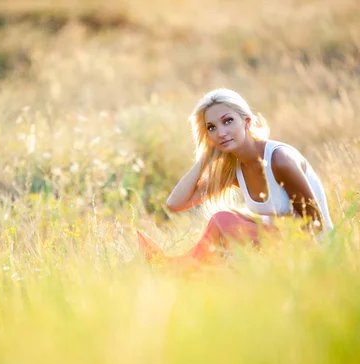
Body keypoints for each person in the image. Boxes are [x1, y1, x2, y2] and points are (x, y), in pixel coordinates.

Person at [138, 88, 333, 266]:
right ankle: (180, 269)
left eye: (228, 121)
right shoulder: (234, 171)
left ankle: (174, 267)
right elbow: (175, 203)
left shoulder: (280, 159)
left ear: (247, 121)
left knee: (223, 221)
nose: (221, 133)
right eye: (211, 128)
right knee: (220, 225)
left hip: (311, 251)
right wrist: (205, 159)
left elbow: (315, 224)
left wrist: (285, 261)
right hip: (279, 246)